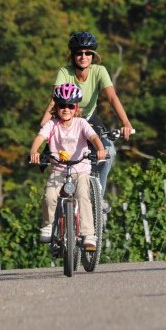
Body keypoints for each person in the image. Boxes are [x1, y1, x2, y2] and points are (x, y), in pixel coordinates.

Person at [40, 31, 134, 201]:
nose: (83, 57)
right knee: (58, 158)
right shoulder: (64, 72)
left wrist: (125, 123)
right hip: (67, 120)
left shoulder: (99, 71)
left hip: (89, 119)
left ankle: (98, 197)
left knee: (109, 152)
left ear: (93, 55)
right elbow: (55, 100)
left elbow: (112, 98)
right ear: (72, 55)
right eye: (79, 53)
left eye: (88, 53)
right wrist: (45, 122)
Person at [29, 83, 106, 250]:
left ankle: (88, 234)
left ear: (76, 108)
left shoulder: (81, 123)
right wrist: (34, 151)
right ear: (56, 107)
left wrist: (100, 149)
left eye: (70, 106)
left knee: (83, 196)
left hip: (81, 170)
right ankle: (48, 225)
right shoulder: (52, 124)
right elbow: (40, 137)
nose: (66, 109)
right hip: (58, 171)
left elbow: (93, 137)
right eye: (62, 105)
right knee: (49, 196)